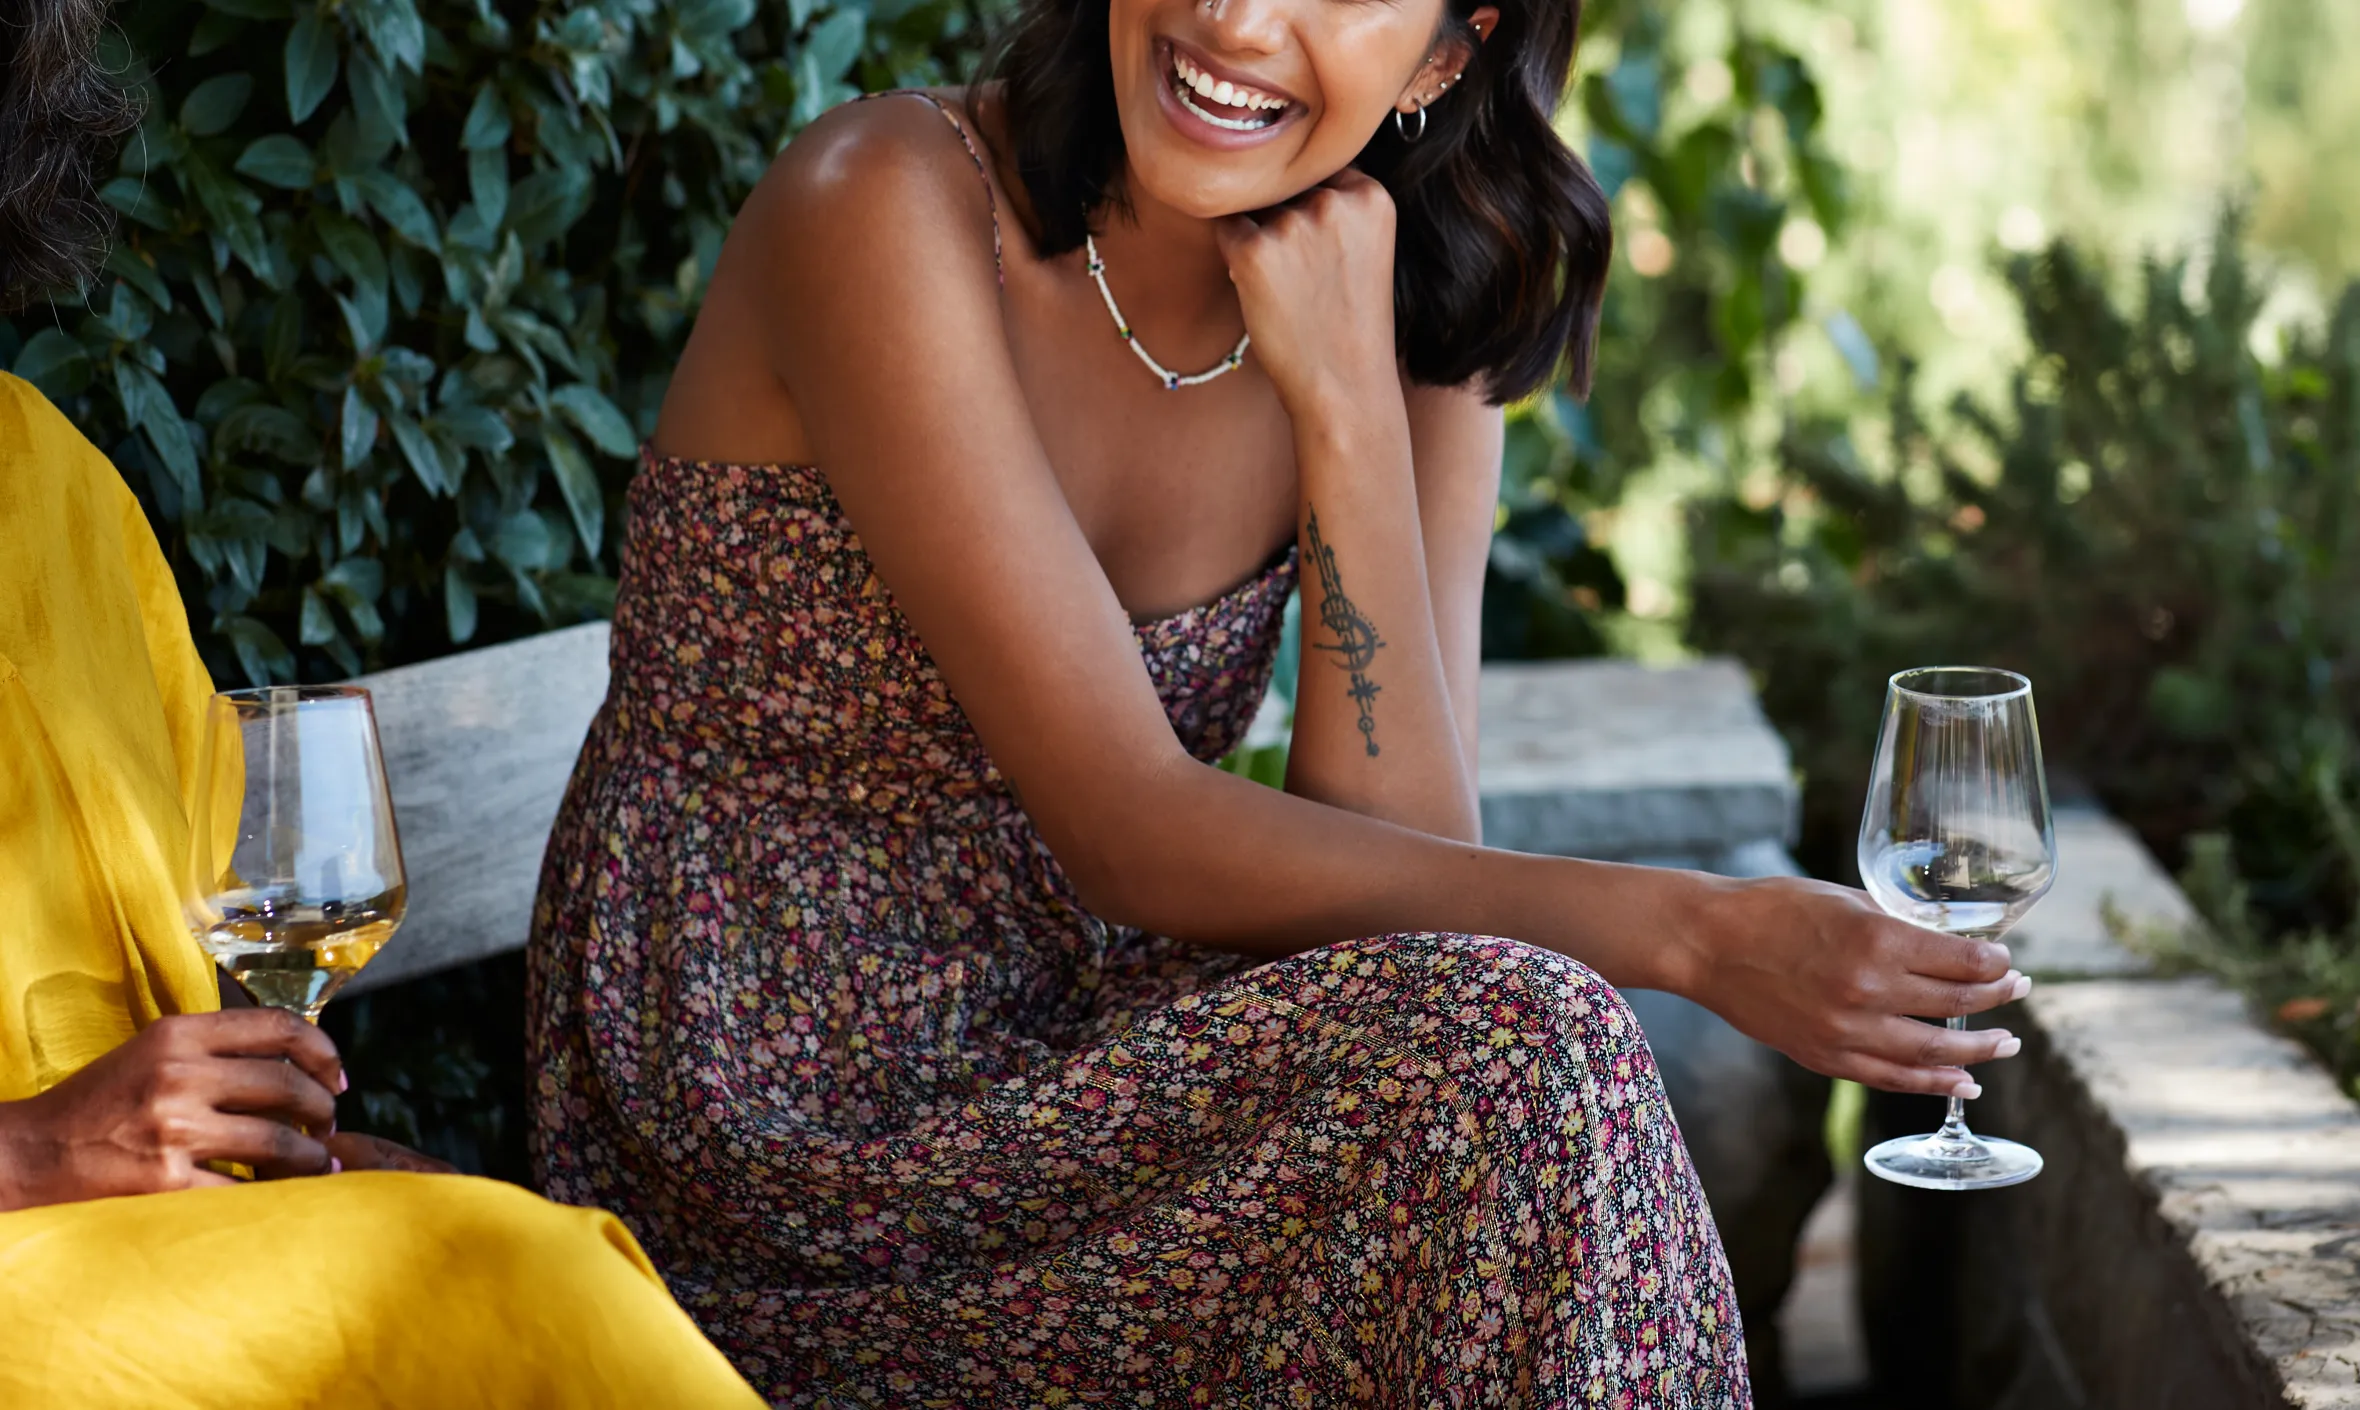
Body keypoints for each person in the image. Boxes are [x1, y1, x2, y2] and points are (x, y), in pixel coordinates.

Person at [527, 0, 2029, 1400]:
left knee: (1510, 1065)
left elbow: (1417, 909)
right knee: (1528, 1053)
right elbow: (1127, 827)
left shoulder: (1421, 306)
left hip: (1072, 1073)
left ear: (1452, 47)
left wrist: (1350, 403)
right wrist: (1701, 931)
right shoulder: (886, 202)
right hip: (762, 1134)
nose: (1238, 22)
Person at [0, 2, 764, 1404]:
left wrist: (296, 1165)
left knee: (495, 1270)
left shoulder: (54, 483)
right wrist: (31, 1148)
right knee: (521, 1286)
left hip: (155, 1255)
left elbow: (193, 974)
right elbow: (80, 1126)